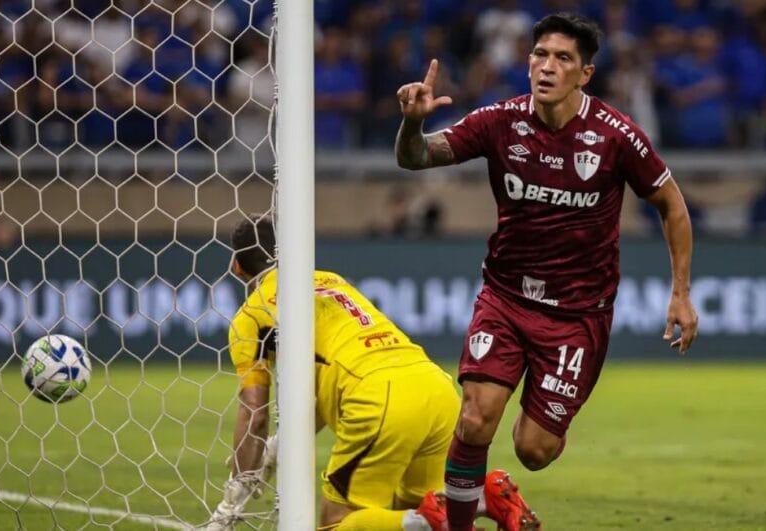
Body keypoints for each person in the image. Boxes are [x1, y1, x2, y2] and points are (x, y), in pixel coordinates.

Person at [395, 13, 699, 530]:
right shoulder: (499, 121)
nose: (547, 66)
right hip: (506, 298)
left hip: (577, 315)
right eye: (540, 55)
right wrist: (411, 122)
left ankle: (502, 486)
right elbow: (417, 158)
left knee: (534, 449)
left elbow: (672, 204)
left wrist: (681, 292)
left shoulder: (616, 136)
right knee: (474, 418)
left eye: (563, 58)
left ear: (585, 74)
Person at [208, 215, 462, 530]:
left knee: (336, 523)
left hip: (379, 396)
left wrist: (231, 501)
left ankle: (455, 512)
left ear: (237, 266)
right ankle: (477, 502)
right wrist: (278, 445)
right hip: (436, 387)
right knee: (405, 514)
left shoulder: (250, 316)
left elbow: (254, 415)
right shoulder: (331, 279)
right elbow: (326, 387)